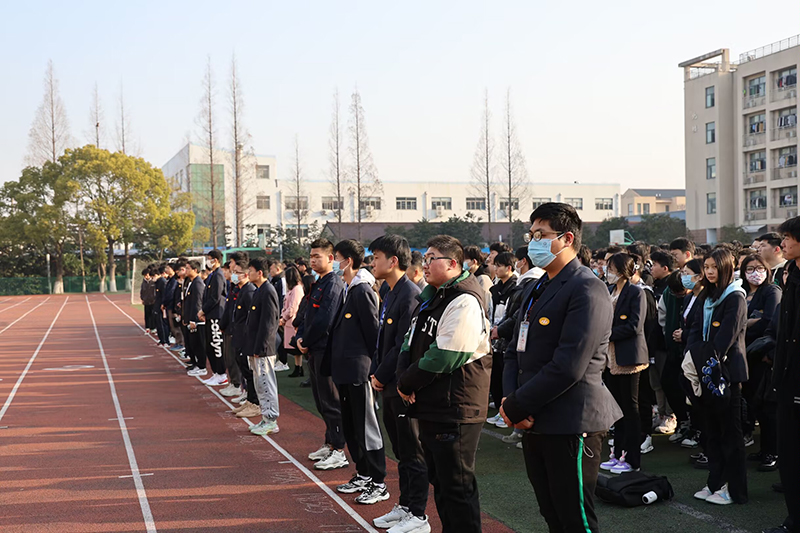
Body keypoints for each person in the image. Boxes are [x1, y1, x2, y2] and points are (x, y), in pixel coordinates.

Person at [500, 202, 622, 533]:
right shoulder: (537, 286)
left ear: (567, 238)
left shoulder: (587, 287)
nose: (533, 242)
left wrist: (517, 405)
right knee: (551, 512)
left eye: (541, 235)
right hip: (534, 420)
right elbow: (514, 350)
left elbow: (569, 365)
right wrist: (511, 400)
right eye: (531, 234)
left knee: (574, 519)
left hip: (570, 421)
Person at [397, 235, 491, 533]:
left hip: (456, 406)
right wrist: (403, 377)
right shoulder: (433, 296)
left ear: (452, 263)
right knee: (442, 483)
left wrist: (407, 382)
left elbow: (446, 355)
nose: (424, 264)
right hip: (435, 404)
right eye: (424, 258)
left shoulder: (464, 299)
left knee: (457, 487)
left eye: (431, 258)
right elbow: (409, 342)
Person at [368, 234, 429, 532]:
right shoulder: (390, 291)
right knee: (402, 451)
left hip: (400, 385)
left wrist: (381, 374)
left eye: (376, 257)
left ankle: (417, 514)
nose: (372, 263)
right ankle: (405, 505)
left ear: (393, 261)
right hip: (389, 384)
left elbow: (403, 345)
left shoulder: (410, 295)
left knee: (413, 451)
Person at [322, 239, 388, 503]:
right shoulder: (349, 288)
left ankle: (378, 480)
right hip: (345, 370)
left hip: (359, 371)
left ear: (347, 260)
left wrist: (373, 368)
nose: (334, 263)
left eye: (336, 258)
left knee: (366, 427)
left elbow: (373, 333)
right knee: (351, 426)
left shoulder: (362, 290)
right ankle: (363, 473)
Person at [687, 248, 748, 505]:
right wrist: (693, 357)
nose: (710, 272)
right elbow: (693, 328)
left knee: (730, 434)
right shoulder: (706, 295)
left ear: (727, 268)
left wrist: (704, 359)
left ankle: (734, 489)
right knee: (711, 432)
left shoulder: (735, 297)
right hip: (705, 371)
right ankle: (715, 482)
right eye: (707, 267)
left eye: (715, 267)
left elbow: (726, 338)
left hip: (727, 373)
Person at [763, 216, 800, 533]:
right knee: (789, 456)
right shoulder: (791, 277)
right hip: (787, 381)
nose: (783, 243)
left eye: (788, 237)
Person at [297, 238, 348, 468]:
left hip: (326, 350)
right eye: (311, 256)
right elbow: (308, 315)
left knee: (331, 401)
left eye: (317, 256)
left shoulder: (333, 284)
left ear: (330, 258)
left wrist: (306, 341)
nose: (313, 260)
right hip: (313, 350)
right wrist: (300, 338)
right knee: (321, 401)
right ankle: (330, 442)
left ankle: (339, 449)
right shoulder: (319, 283)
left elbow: (324, 320)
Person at [599, 253, 649, 474]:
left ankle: (632, 459)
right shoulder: (610, 291)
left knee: (630, 409)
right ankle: (618, 453)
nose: (606, 272)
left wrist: (605, 334)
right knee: (616, 409)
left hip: (629, 359)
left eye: (610, 268)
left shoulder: (636, 292)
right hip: (611, 358)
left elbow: (634, 326)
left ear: (621, 271)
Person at [739, 254, 781, 464]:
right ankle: (764, 448)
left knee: (766, 406)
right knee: (752, 403)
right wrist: (748, 322)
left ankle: (771, 451)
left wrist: (745, 324)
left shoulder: (771, 291)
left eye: (759, 268)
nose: (755, 273)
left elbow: (767, 321)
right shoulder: (741, 292)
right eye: (750, 269)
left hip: (761, 355)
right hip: (743, 354)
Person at [243, 257, 281, 436]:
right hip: (255, 347)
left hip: (263, 349)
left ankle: (271, 420)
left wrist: (261, 348)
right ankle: (266, 418)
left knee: (266, 385)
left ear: (259, 273)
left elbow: (269, 324)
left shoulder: (268, 291)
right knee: (260, 385)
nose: (248, 274)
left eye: (250, 271)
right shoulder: (260, 290)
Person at [486, 252, 517, 429]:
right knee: (496, 378)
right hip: (494, 339)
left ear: (509, 268)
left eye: (499, 266)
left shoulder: (516, 289)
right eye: (495, 265)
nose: (495, 269)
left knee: (506, 377)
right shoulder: (495, 289)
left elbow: (512, 316)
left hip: (506, 340)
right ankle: (500, 410)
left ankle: (507, 412)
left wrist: (500, 330)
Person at [228, 258, 261, 419]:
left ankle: (255, 403)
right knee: (244, 369)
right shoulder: (241, 290)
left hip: (245, 337)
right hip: (239, 335)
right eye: (233, 272)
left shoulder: (249, 291)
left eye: (237, 272)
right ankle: (249, 399)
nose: (234, 275)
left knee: (249, 372)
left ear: (246, 274)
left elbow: (251, 318)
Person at [199, 249, 228, 386]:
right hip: (210, 315)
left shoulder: (218, 275)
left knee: (216, 345)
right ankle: (216, 373)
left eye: (209, 259)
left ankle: (221, 374)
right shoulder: (212, 275)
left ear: (215, 260)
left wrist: (203, 310)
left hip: (216, 315)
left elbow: (215, 297)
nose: (207, 261)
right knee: (210, 345)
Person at [219, 260, 243, 398]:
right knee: (228, 357)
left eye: (234, 271)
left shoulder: (245, 289)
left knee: (234, 358)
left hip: (236, 329)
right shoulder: (232, 287)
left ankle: (237, 384)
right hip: (228, 327)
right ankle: (233, 382)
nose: (229, 273)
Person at [183, 260, 208, 377]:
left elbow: (198, 303)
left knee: (199, 344)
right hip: (191, 318)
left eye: (188, 268)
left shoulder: (198, 283)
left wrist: (194, 319)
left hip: (197, 321)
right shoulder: (191, 282)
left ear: (195, 270)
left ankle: (202, 366)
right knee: (193, 343)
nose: (186, 270)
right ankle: (196, 364)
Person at [282, 266, 305, 377]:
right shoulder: (292, 289)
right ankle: (298, 368)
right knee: (294, 349)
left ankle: (299, 368)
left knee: (296, 346)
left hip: (293, 321)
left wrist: (284, 317)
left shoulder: (297, 289)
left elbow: (293, 307)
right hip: (289, 321)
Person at [269, 259, 291, 371]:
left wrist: (280, 316)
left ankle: (283, 361)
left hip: (280, 314)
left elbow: (282, 299)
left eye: (271, 269)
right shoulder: (275, 281)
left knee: (281, 338)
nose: (270, 271)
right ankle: (280, 360)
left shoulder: (282, 281)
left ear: (278, 269)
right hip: (276, 313)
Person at [141, 268, 156, 333]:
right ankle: (147, 327)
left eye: (147, 275)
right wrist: (142, 298)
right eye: (145, 275)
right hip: (146, 301)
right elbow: (142, 291)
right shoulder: (144, 282)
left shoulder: (153, 282)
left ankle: (153, 327)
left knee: (153, 314)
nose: (146, 277)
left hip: (153, 301)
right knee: (147, 315)